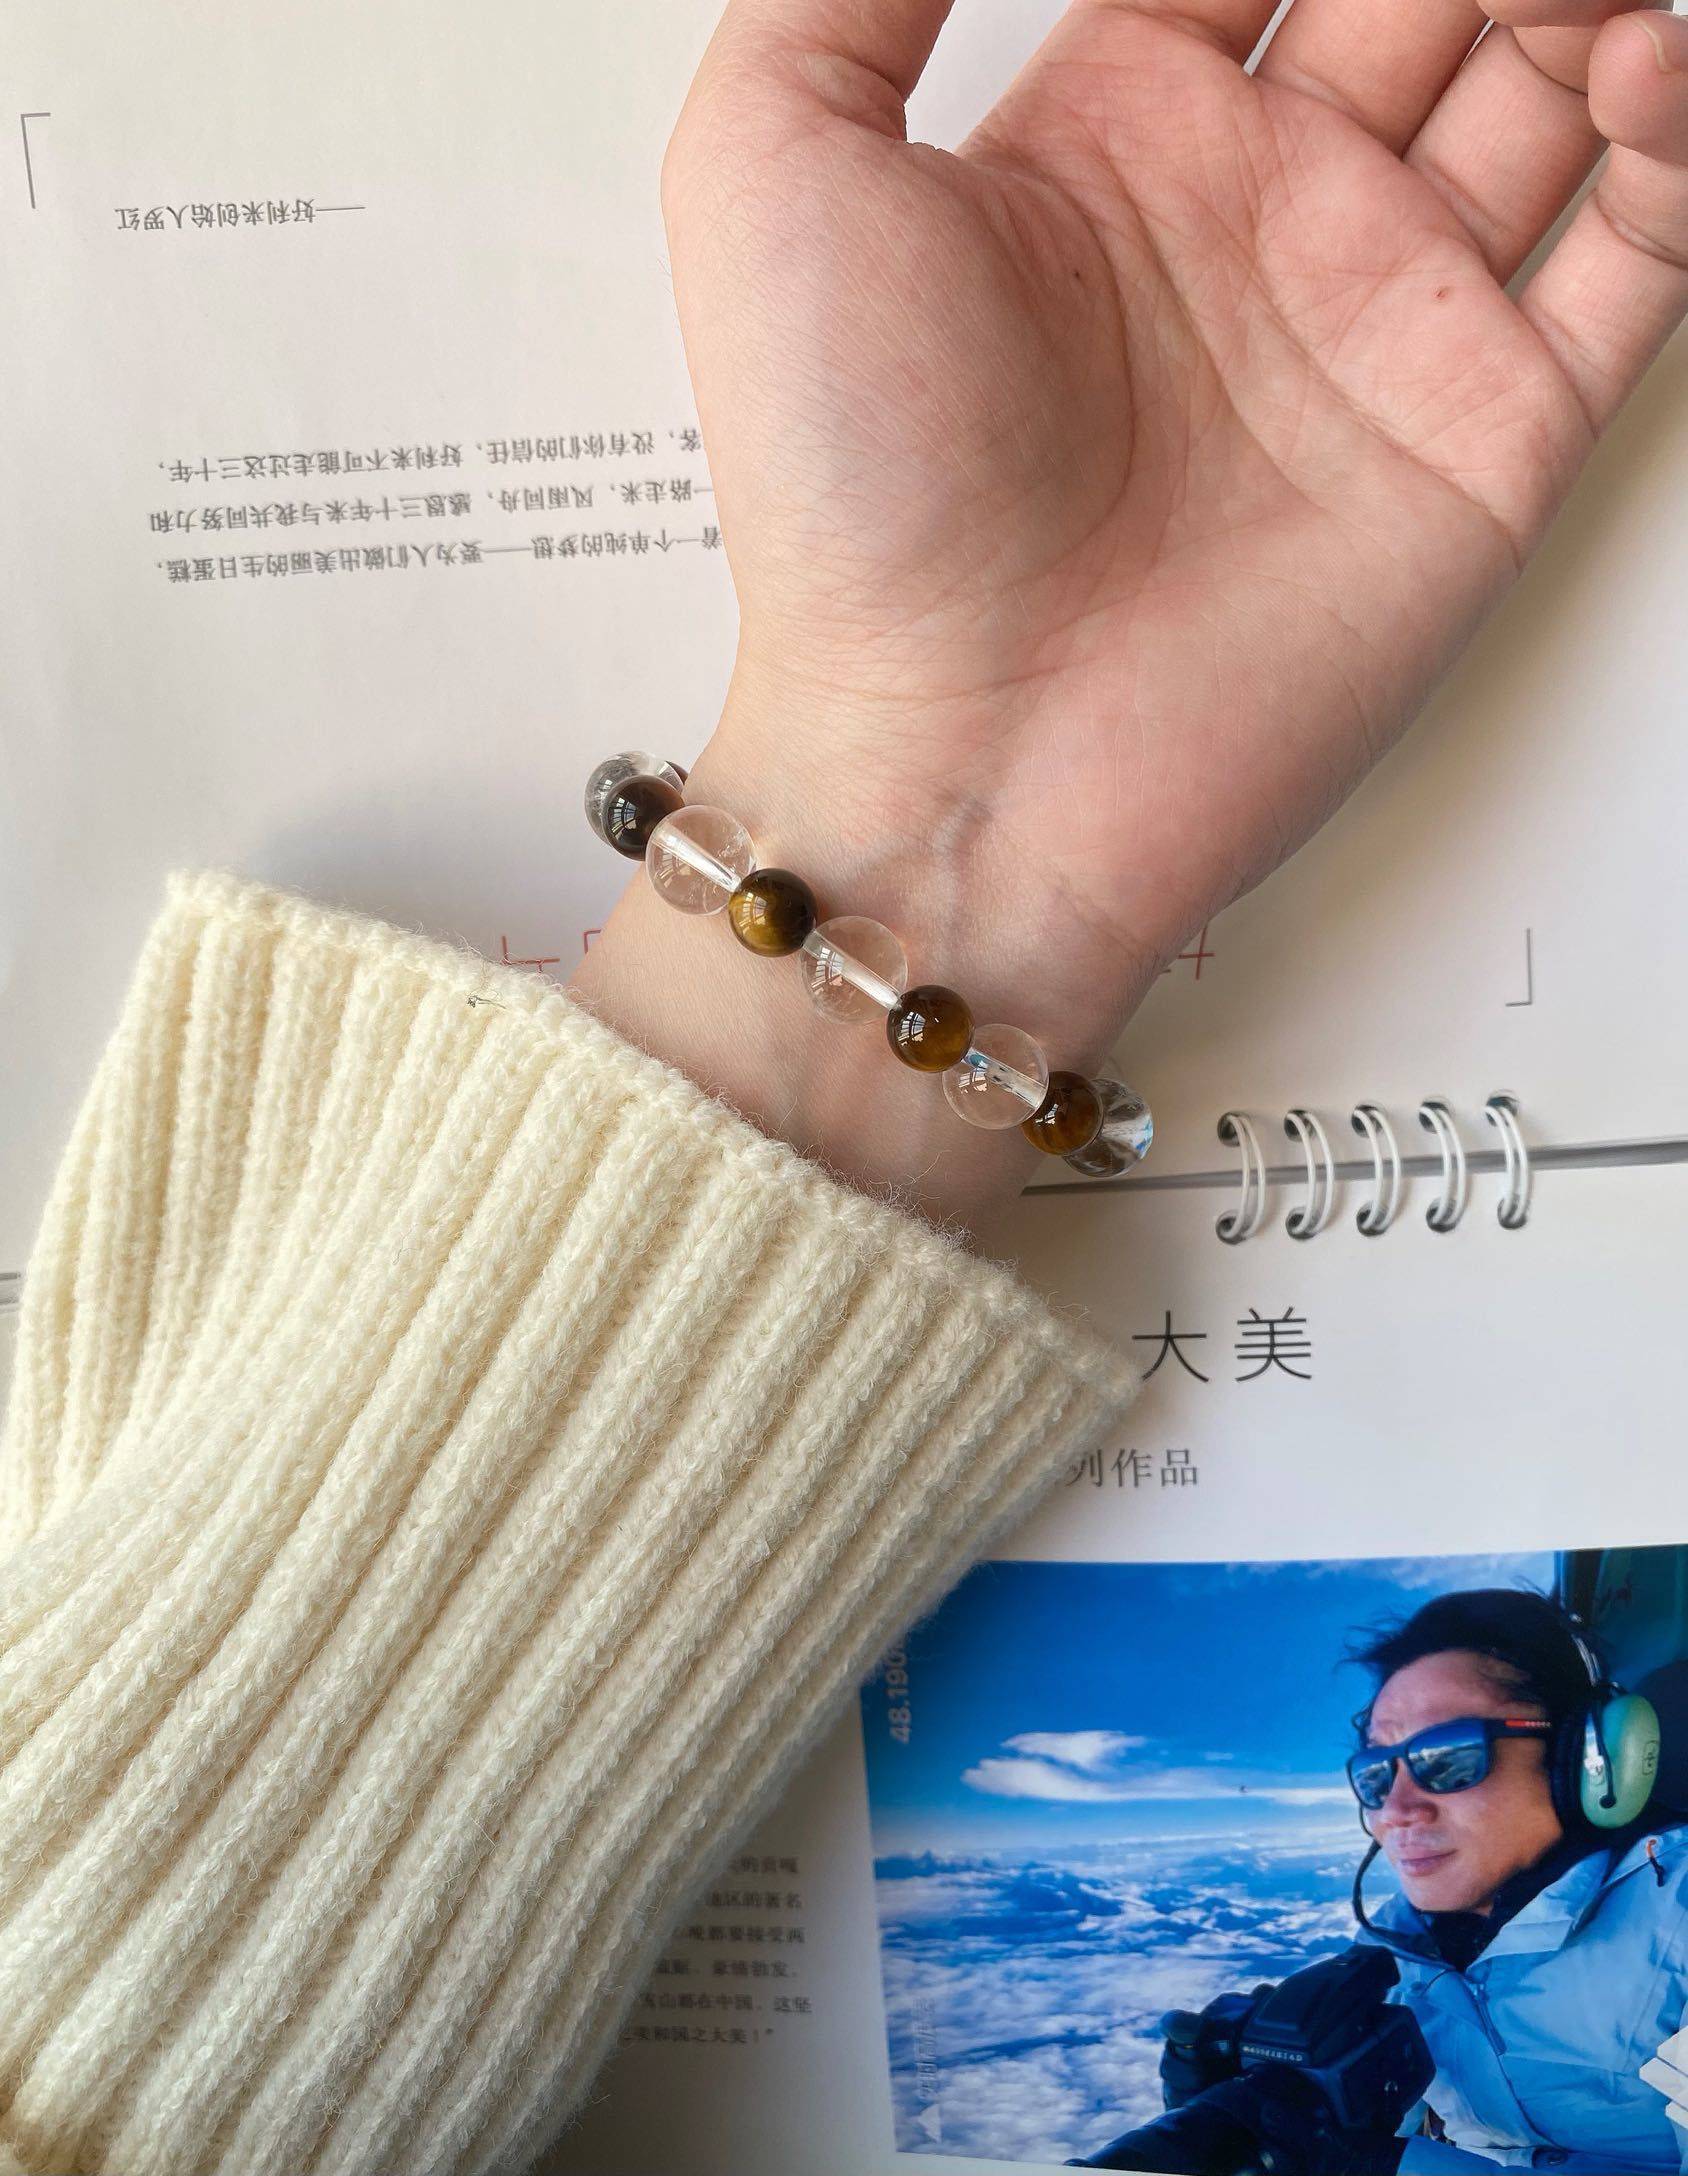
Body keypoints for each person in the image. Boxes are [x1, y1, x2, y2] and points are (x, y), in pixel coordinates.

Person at [1, 0, 1685, 2166]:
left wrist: (912, 805)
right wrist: (941, 802)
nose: (1390, 1806)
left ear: (1605, 1763)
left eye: (1432, 1762)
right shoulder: (1386, 2008)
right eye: (1379, 1769)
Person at [1346, 1589, 1688, 2172]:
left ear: (1584, 1756)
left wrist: (1373, 2165)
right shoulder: (1393, 1945)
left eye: (1448, 1756)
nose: (1395, 1811)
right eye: (1377, 1772)